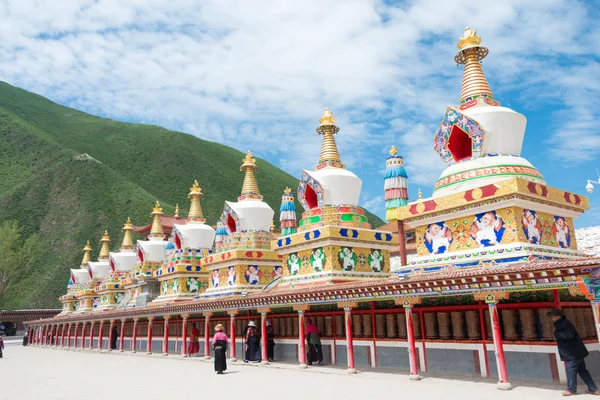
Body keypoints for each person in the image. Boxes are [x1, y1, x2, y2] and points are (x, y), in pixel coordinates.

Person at [547, 309, 600, 396]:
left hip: (572, 353)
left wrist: (556, 333)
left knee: (570, 370)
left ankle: (571, 390)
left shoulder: (564, 323)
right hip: (576, 352)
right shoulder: (562, 323)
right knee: (582, 371)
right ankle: (593, 389)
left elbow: (570, 335)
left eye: (552, 317)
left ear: (558, 316)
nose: (551, 319)